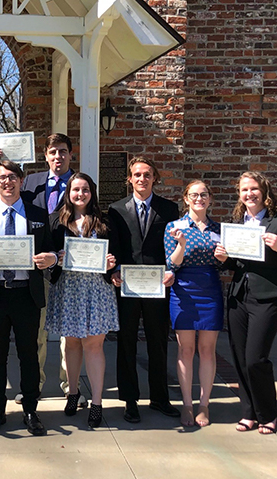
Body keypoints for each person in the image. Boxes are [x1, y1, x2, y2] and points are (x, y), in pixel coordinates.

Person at [0, 133, 85, 407]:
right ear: (45, 155)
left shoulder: (79, 184)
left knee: (70, 332)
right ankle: (36, 385)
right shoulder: (30, 181)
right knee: (37, 333)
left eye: (63, 151)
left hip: (70, 263)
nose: (58, 156)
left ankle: (70, 386)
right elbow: (4, 196)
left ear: (70, 154)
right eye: (53, 151)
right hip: (33, 268)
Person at [0, 160, 58, 437]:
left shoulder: (38, 214)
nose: (7, 182)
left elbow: (51, 250)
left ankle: (31, 410)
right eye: (1, 178)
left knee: (28, 354)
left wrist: (50, 259)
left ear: (21, 181)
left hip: (26, 295)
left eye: (12, 177)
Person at [215, 171, 277, 435]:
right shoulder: (237, 223)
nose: (249, 194)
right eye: (244, 190)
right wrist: (223, 258)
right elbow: (235, 263)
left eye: (253, 189)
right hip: (239, 296)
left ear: (264, 192)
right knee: (240, 358)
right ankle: (249, 412)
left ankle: (268, 413)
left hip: (268, 296)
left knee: (256, 359)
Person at [107, 157, 181, 423]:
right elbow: (112, 245)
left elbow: (173, 246)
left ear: (154, 178)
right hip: (126, 286)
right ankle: (130, 400)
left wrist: (173, 269)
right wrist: (112, 272)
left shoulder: (169, 209)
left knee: (158, 343)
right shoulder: (115, 210)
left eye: (147, 175)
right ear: (129, 179)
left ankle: (160, 398)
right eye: (137, 175)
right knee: (126, 343)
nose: (141, 179)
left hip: (157, 285)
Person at [46, 173, 118, 428]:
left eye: (85, 189)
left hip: (96, 290)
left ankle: (97, 402)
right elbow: (47, 254)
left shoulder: (104, 221)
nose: (80, 194)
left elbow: (115, 254)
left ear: (92, 193)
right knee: (72, 344)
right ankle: (73, 392)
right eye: (76, 189)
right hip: (68, 289)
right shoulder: (56, 221)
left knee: (94, 346)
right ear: (69, 193)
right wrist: (57, 257)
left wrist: (112, 264)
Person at [164, 180, 223, 427]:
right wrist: (182, 244)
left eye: (204, 195)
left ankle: (204, 405)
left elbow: (225, 262)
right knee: (185, 350)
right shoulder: (174, 227)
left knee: (207, 350)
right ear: (185, 198)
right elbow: (171, 264)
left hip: (210, 290)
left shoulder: (220, 229)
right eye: (194, 195)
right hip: (183, 292)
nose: (199, 198)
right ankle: (187, 404)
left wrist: (225, 257)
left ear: (210, 199)